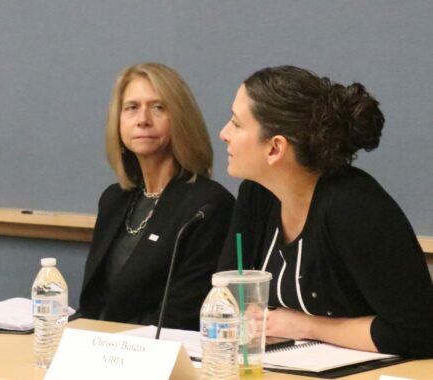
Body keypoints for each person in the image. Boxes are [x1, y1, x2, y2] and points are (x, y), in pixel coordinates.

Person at [218, 65, 433, 357]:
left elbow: (417, 333)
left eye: (236, 123)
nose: (223, 134)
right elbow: (226, 299)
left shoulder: (354, 207)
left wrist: (307, 326)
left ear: (275, 148)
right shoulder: (256, 195)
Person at [79, 63, 234, 330]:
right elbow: (94, 302)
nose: (143, 119)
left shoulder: (209, 205)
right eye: (131, 108)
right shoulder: (114, 199)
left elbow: (182, 316)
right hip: (102, 350)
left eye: (158, 107)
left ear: (182, 120)